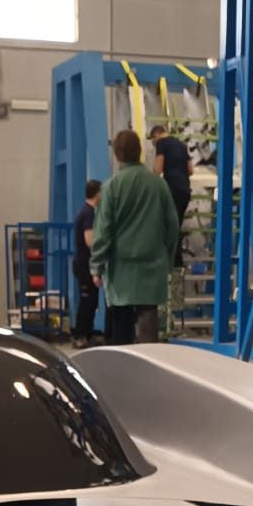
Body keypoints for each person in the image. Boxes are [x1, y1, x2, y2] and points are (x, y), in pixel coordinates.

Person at [90, 130, 179, 346]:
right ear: (139, 151)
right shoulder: (159, 185)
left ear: (117, 154)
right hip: (152, 270)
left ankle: (124, 365)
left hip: (120, 273)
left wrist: (96, 266)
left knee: (122, 335)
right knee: (149, 334)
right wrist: (166, 258)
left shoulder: (111, 187)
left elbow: (103, 231)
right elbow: (172, 226)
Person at [149, 123, 193, 263]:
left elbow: (158, 169)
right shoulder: (181, 145)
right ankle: (177, 260)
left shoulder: (162, 143)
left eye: (153, 142)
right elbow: (191, 170)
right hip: (185, 191)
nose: (155, 145)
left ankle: (174, 261)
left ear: (156, 135)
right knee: (177, 224)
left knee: (170, 226)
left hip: (173, 190)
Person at [70, 179, 101, 349]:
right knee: (87, 301)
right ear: (98, 193)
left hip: (83, 263)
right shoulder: (88, 214)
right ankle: (79, 335)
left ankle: (87, 334)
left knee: (92, 301)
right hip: (84, 265)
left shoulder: (85, 211)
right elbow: (90, 241)